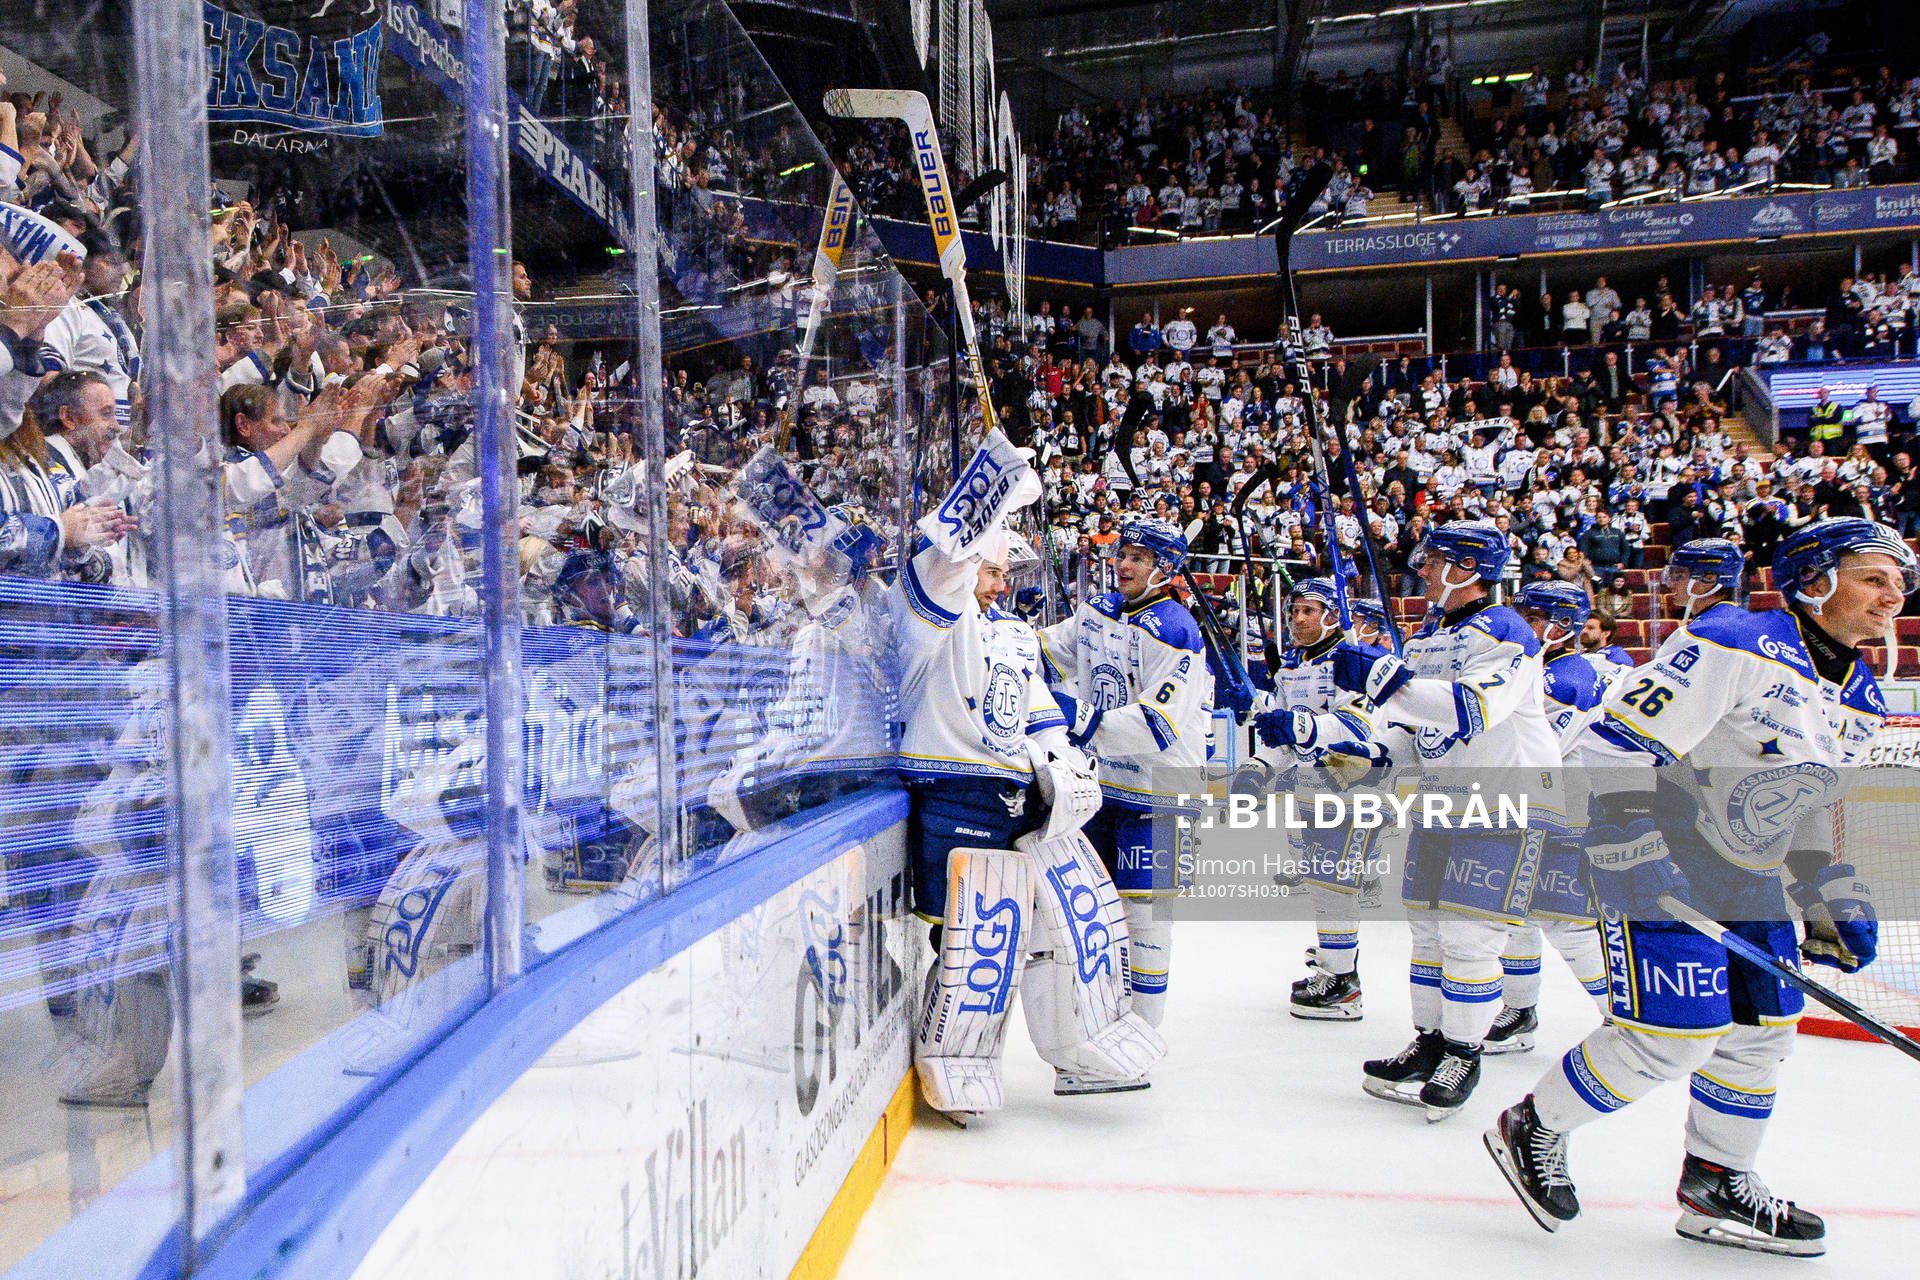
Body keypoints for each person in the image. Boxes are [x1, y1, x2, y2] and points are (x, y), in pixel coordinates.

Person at [1486, 518, 1916, 1257]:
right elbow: (1608, 745)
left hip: (1751, 886)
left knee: (1761, 1040)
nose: (1893, 598)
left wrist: (1825, 892)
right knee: (1672, 1035)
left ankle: (1718, 1184)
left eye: (1900, 584)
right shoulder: (1735, 642)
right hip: (1668, 866)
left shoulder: (1866, 697)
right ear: (1814, 577)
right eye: (1875, 578)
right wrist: (1632, 845)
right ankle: (1535, 1124)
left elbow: (1808, 805)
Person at [894, 438, 1162, 1116]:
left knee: (1059, 928)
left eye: (1003, 569)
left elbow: (1039, 710)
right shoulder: (934, 614)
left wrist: (1065, 764)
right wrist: (1000, 485)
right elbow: (945, 560)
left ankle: (1077, 1051)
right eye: (992, 567)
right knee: (975, 937)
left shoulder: (1011, 630)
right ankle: (955, 1058)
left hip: (1025, 797)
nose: (1000, 580)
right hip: (958, 790)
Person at [1329, 522, 1559, 1119]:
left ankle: (1464, 1049)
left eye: (1436, 561)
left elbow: (1471, 709)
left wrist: (1384, 678)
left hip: (1503, 804)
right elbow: (1415, 735)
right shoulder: (1430, 637)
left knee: (1468, 936)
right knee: (1427, 931)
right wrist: (1340, 744)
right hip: (1443, 800)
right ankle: (1431, 1042)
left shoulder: (1507, 632)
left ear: (1470, 567)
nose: (1423, 569)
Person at [1041, 518, 1215, 1029]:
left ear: (1164, 569)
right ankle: (1104, 1016)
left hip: (1163, 790)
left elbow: (1156, 726)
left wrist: (1078, 716)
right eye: (1122, 554)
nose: (1124, 564)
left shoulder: (1178, 631)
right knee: (1098, 906)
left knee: (1146, 916)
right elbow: (1047, 650)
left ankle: (1143, 1029)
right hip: (1102, 786)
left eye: (1138, 557)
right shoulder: (1097, 610)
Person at [1484, 582, 1616, 1055]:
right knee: (1517, 914)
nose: (1524, 624)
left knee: (1568, 923)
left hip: (1568, 811)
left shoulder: (1565, 677)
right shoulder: (1538, 667)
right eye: (1524, 613)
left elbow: (1534, 752)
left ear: (1567, 626)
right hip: (1535, 807)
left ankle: (1623, 1015)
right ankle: (1520, 1011)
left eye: (1536, 616)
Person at [1243, 578, 1380, 1020]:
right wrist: (1258, 767)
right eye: (1294, 611)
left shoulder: (1353, 660)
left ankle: (1343, 983)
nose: (1297, 619)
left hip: (1352, 786)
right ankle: (1335, 963)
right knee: (1324, 886)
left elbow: (1357, 725)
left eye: (1308, 611)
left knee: (1336, 885)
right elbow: (1281, 737)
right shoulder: (1290, 667)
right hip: (1311, 786)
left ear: (1332, 615)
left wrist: (1300, 727)